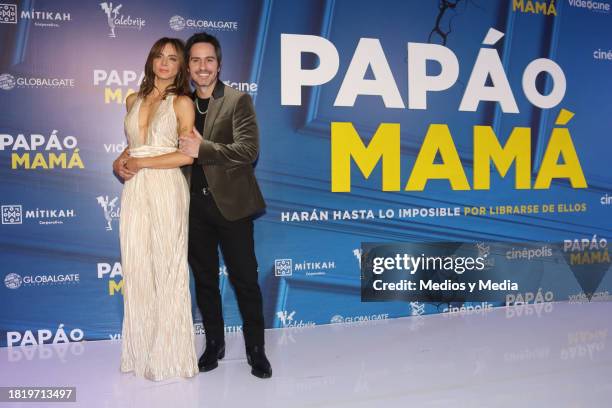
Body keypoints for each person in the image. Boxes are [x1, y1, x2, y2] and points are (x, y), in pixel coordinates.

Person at [179, 32, 271, 379]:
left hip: (231, 207)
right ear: (188, 67)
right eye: (196, 60)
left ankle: (256, 350)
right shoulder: (181, 105)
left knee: (245, 280)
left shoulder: (237, 101)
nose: (203, 67)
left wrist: (203, 148)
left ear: (218, 64)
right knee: (204, 280)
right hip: (192, 208)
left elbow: (248, 151)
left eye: (209, 60)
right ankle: (214, 345)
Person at [112, 37, 198, 381]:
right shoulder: (132, 99)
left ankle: (171, 355)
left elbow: (187, 154)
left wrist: (143, 164)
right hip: (136, 188)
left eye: (173, 58)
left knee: (167, 265)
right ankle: (142, 351)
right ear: (151, 60)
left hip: (165, 185)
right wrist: (120, 161)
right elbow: (133, 146)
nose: (165, 63)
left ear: (180, 67)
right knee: (136, 265)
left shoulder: (182, 103)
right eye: (160, 56)